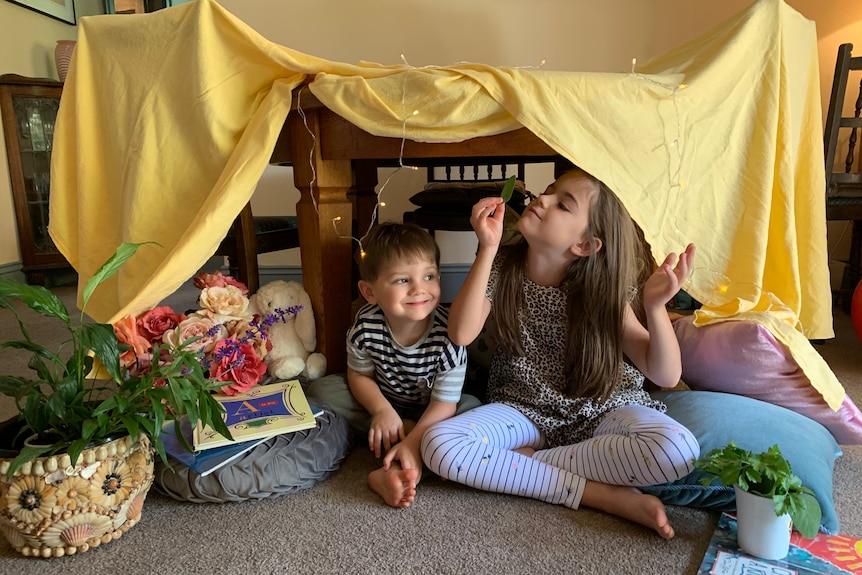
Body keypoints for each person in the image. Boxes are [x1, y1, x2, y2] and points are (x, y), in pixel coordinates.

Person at [420, 168, 699, 539]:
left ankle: (530, 466)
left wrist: (655, 307)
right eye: (549, 191)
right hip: (522, 411)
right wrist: (487, 247)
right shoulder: (503, 266)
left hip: (604, 409)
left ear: (585, 244)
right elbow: (461, 332)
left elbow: (665, 375)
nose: (543, 199)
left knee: (679, 450)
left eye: (562, 204)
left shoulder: (603, 290)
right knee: (440, 446)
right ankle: (600, 496)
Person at [307, 222, 479, 508]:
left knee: (472, 408)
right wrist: (381, 410)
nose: (419, 289)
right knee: (324, 389)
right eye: (402, 280)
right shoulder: (366, 325)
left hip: (436, 410)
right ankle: (402, 435)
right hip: (386, 402)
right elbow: (359, 375)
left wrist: (415, 438)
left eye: (429, 276)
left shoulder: (450, 334)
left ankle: (401, 463)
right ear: (370, 291)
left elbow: (445, 404)